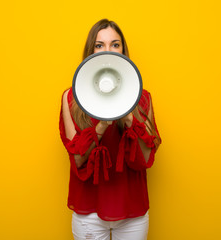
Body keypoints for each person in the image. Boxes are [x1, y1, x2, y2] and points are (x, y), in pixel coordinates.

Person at [59, 19, 161, 240]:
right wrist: (102, 124)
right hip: (90, 214)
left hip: (132, 214)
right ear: (90, 51)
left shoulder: (143, 98)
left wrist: (127, 115)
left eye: (115, 44)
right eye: (99, 45)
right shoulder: (71, 99)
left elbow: (146, 158)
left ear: (123, 50)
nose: (108, 50)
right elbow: (78, 160)